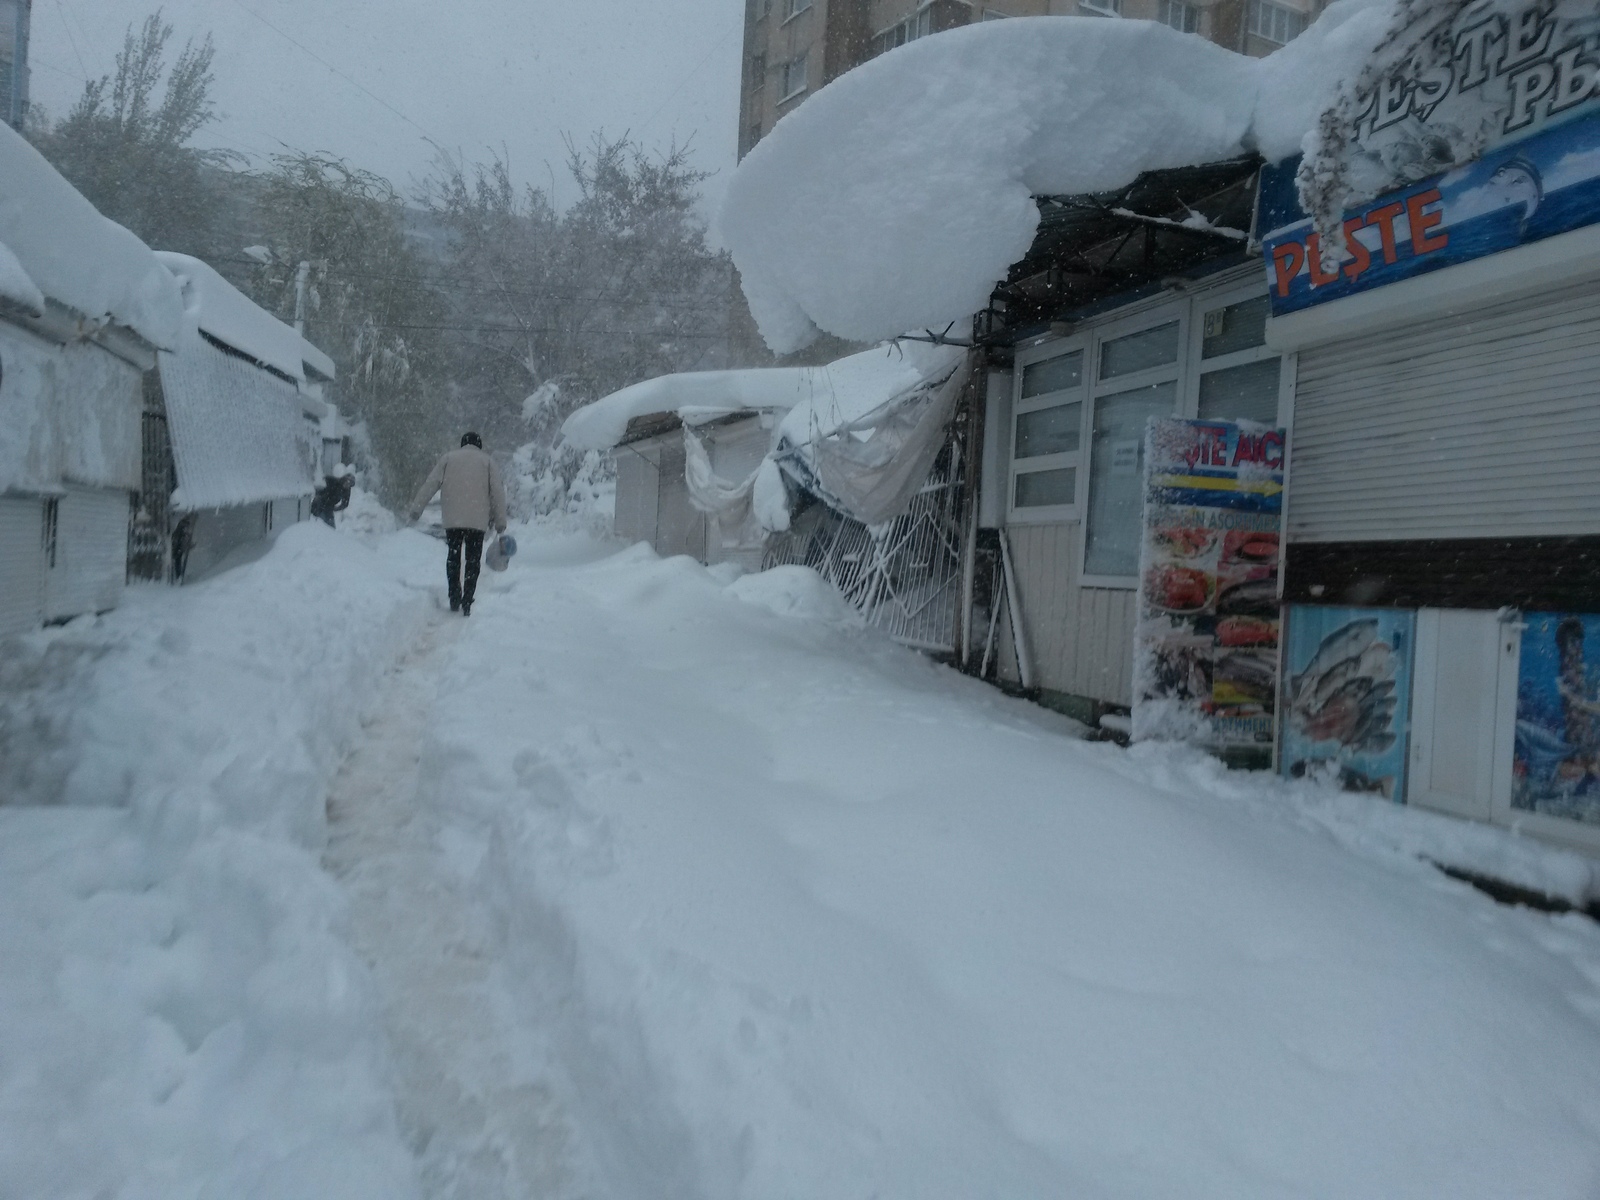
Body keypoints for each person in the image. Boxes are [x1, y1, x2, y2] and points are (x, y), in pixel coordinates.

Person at [408, 432, 508, 616]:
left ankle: (454, 595)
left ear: (462, 444)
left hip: (453, 520)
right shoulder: (487, 462)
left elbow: (430, 484)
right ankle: (467, 599)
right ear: (479, 445)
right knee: (473, 560)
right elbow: (497, 493)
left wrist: (417, 509)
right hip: (477, 521)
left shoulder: (448, 459)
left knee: (453, 557)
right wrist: (500, 520)